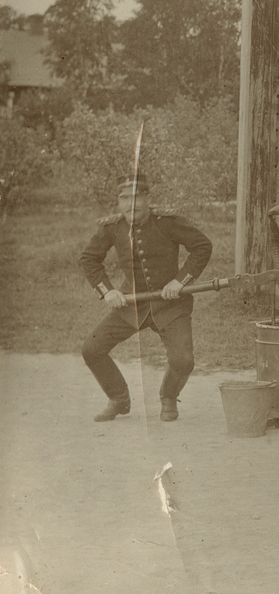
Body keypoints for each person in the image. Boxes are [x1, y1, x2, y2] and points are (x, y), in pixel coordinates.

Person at [80, 173, 212, 423]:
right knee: (92, 349)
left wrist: (180, 281)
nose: (130, 205)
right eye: (124, 198)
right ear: (118, 201)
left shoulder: (167, 222)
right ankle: (119, 399)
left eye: (136, 198)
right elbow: (89, 258)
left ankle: (169, 397)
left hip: (171, 305)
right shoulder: (112, 227)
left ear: (147, 199)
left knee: (183, 360)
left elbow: (202, 246)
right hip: (131, 304)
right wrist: (108, 291)